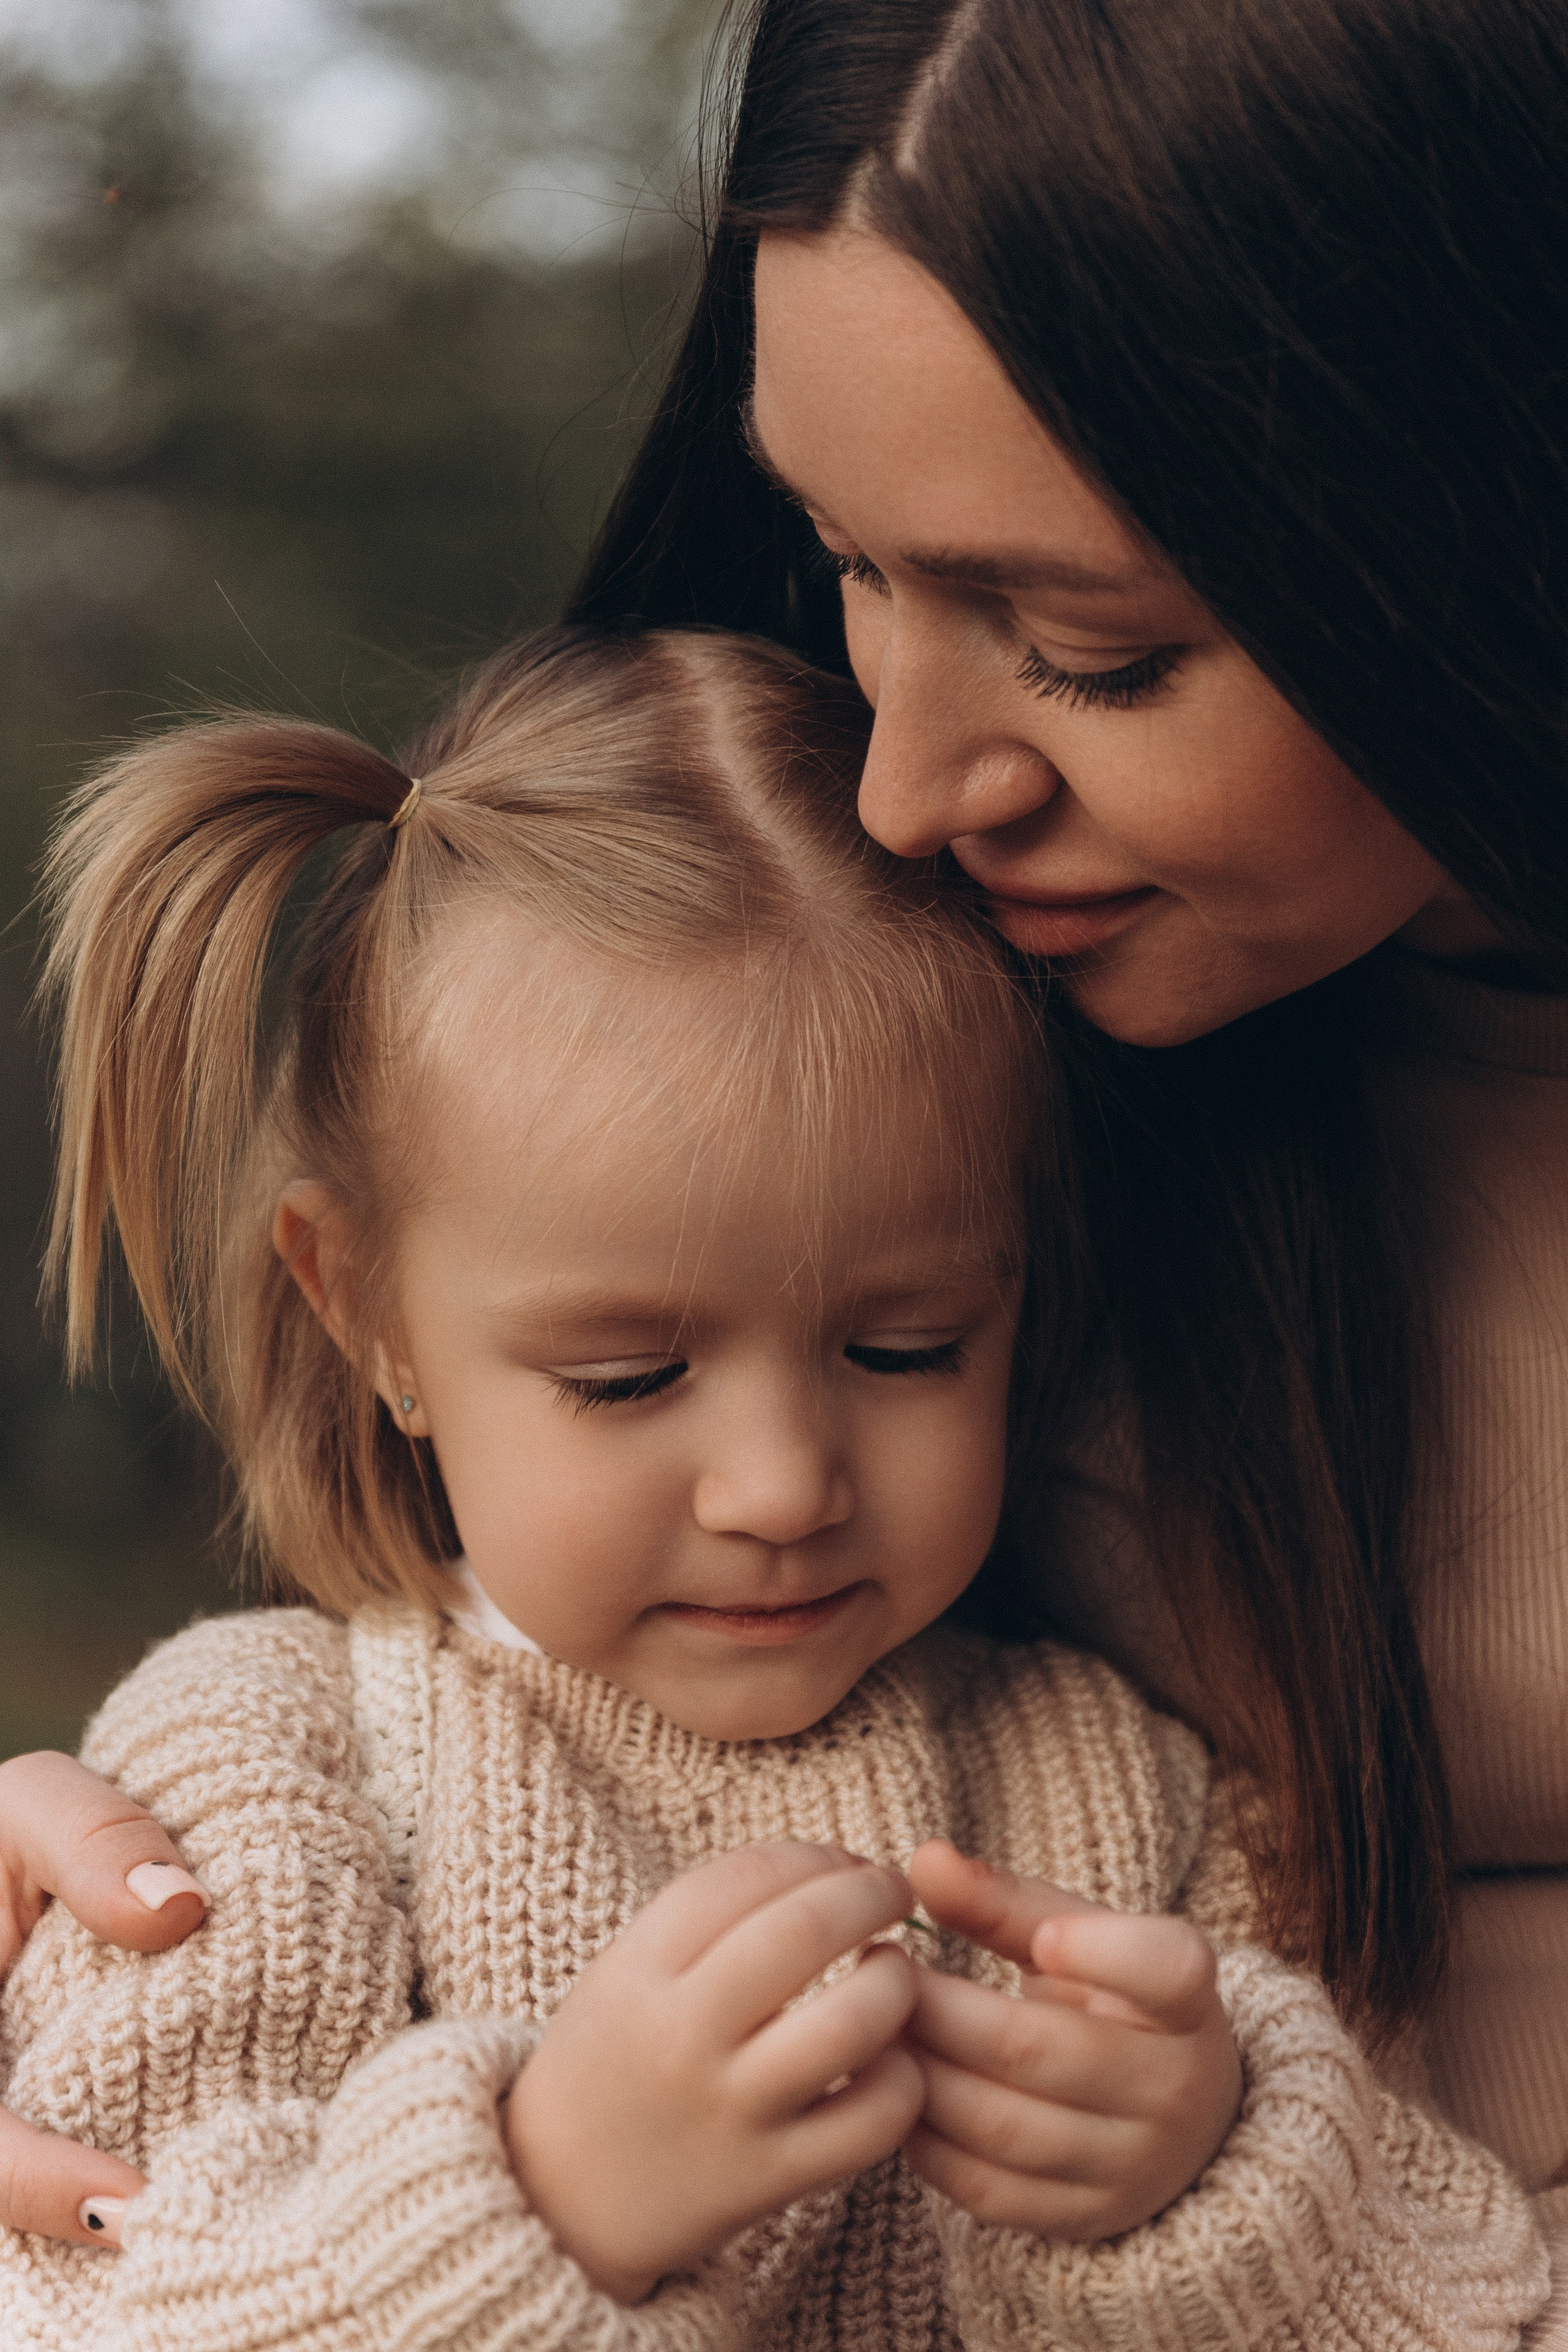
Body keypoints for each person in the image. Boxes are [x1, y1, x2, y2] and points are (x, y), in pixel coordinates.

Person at [5, 0, 1566, 2304]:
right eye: (847, 557)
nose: (902, 790)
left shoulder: (1126, 1795)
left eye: (1094, 649)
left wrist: (1228, 2183)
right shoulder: (900, 990)